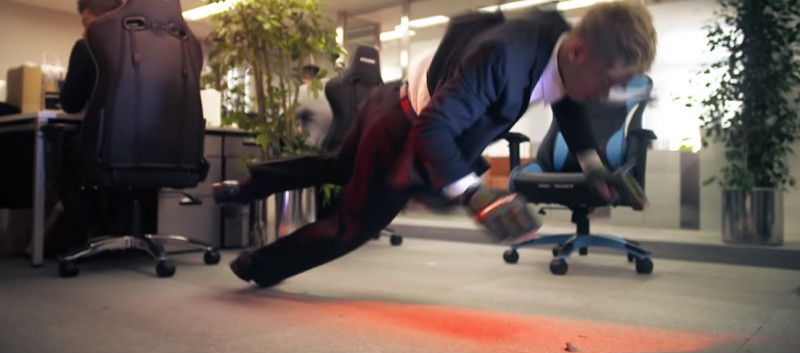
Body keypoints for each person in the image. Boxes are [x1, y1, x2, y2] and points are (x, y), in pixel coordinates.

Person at [212, 2, 657, 287]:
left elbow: (569, 104)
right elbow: (433, 130)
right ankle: (257, 266)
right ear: (577, 53)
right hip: (402, 125)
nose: (606, 95)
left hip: (389, 99)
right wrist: (474, 193)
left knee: (335, 166)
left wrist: (594, 166)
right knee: (352, 226)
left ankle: (247, 186)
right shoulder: (504, 56)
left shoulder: (556, 40)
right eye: (607, 81)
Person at [56, 0, 123, 247]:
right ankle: (117, 229)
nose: (84, 31)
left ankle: (86, 232)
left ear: (102, 21)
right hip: (149, 150)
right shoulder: (148, 54)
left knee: (65, 148)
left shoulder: (87, 48)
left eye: (86, 23)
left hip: (105, 150)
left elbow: (70, 104)